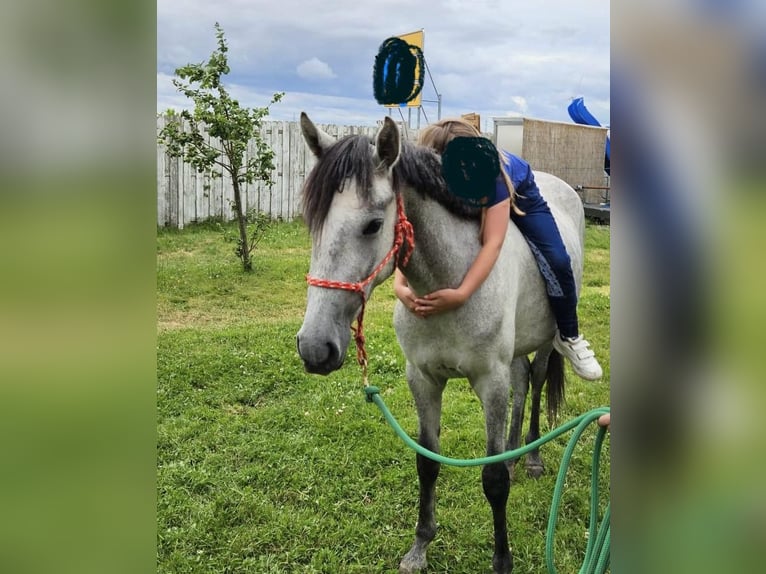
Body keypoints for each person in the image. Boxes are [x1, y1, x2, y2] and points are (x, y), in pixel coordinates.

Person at [393, 118, 603, 380]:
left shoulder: (491, 176)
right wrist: (400, 283)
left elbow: (493, 242)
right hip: (473, 193)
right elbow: (417, 234)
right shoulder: (431, 179)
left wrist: (461, 293)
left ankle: (569, 335)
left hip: (523, 195)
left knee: (558, 259)